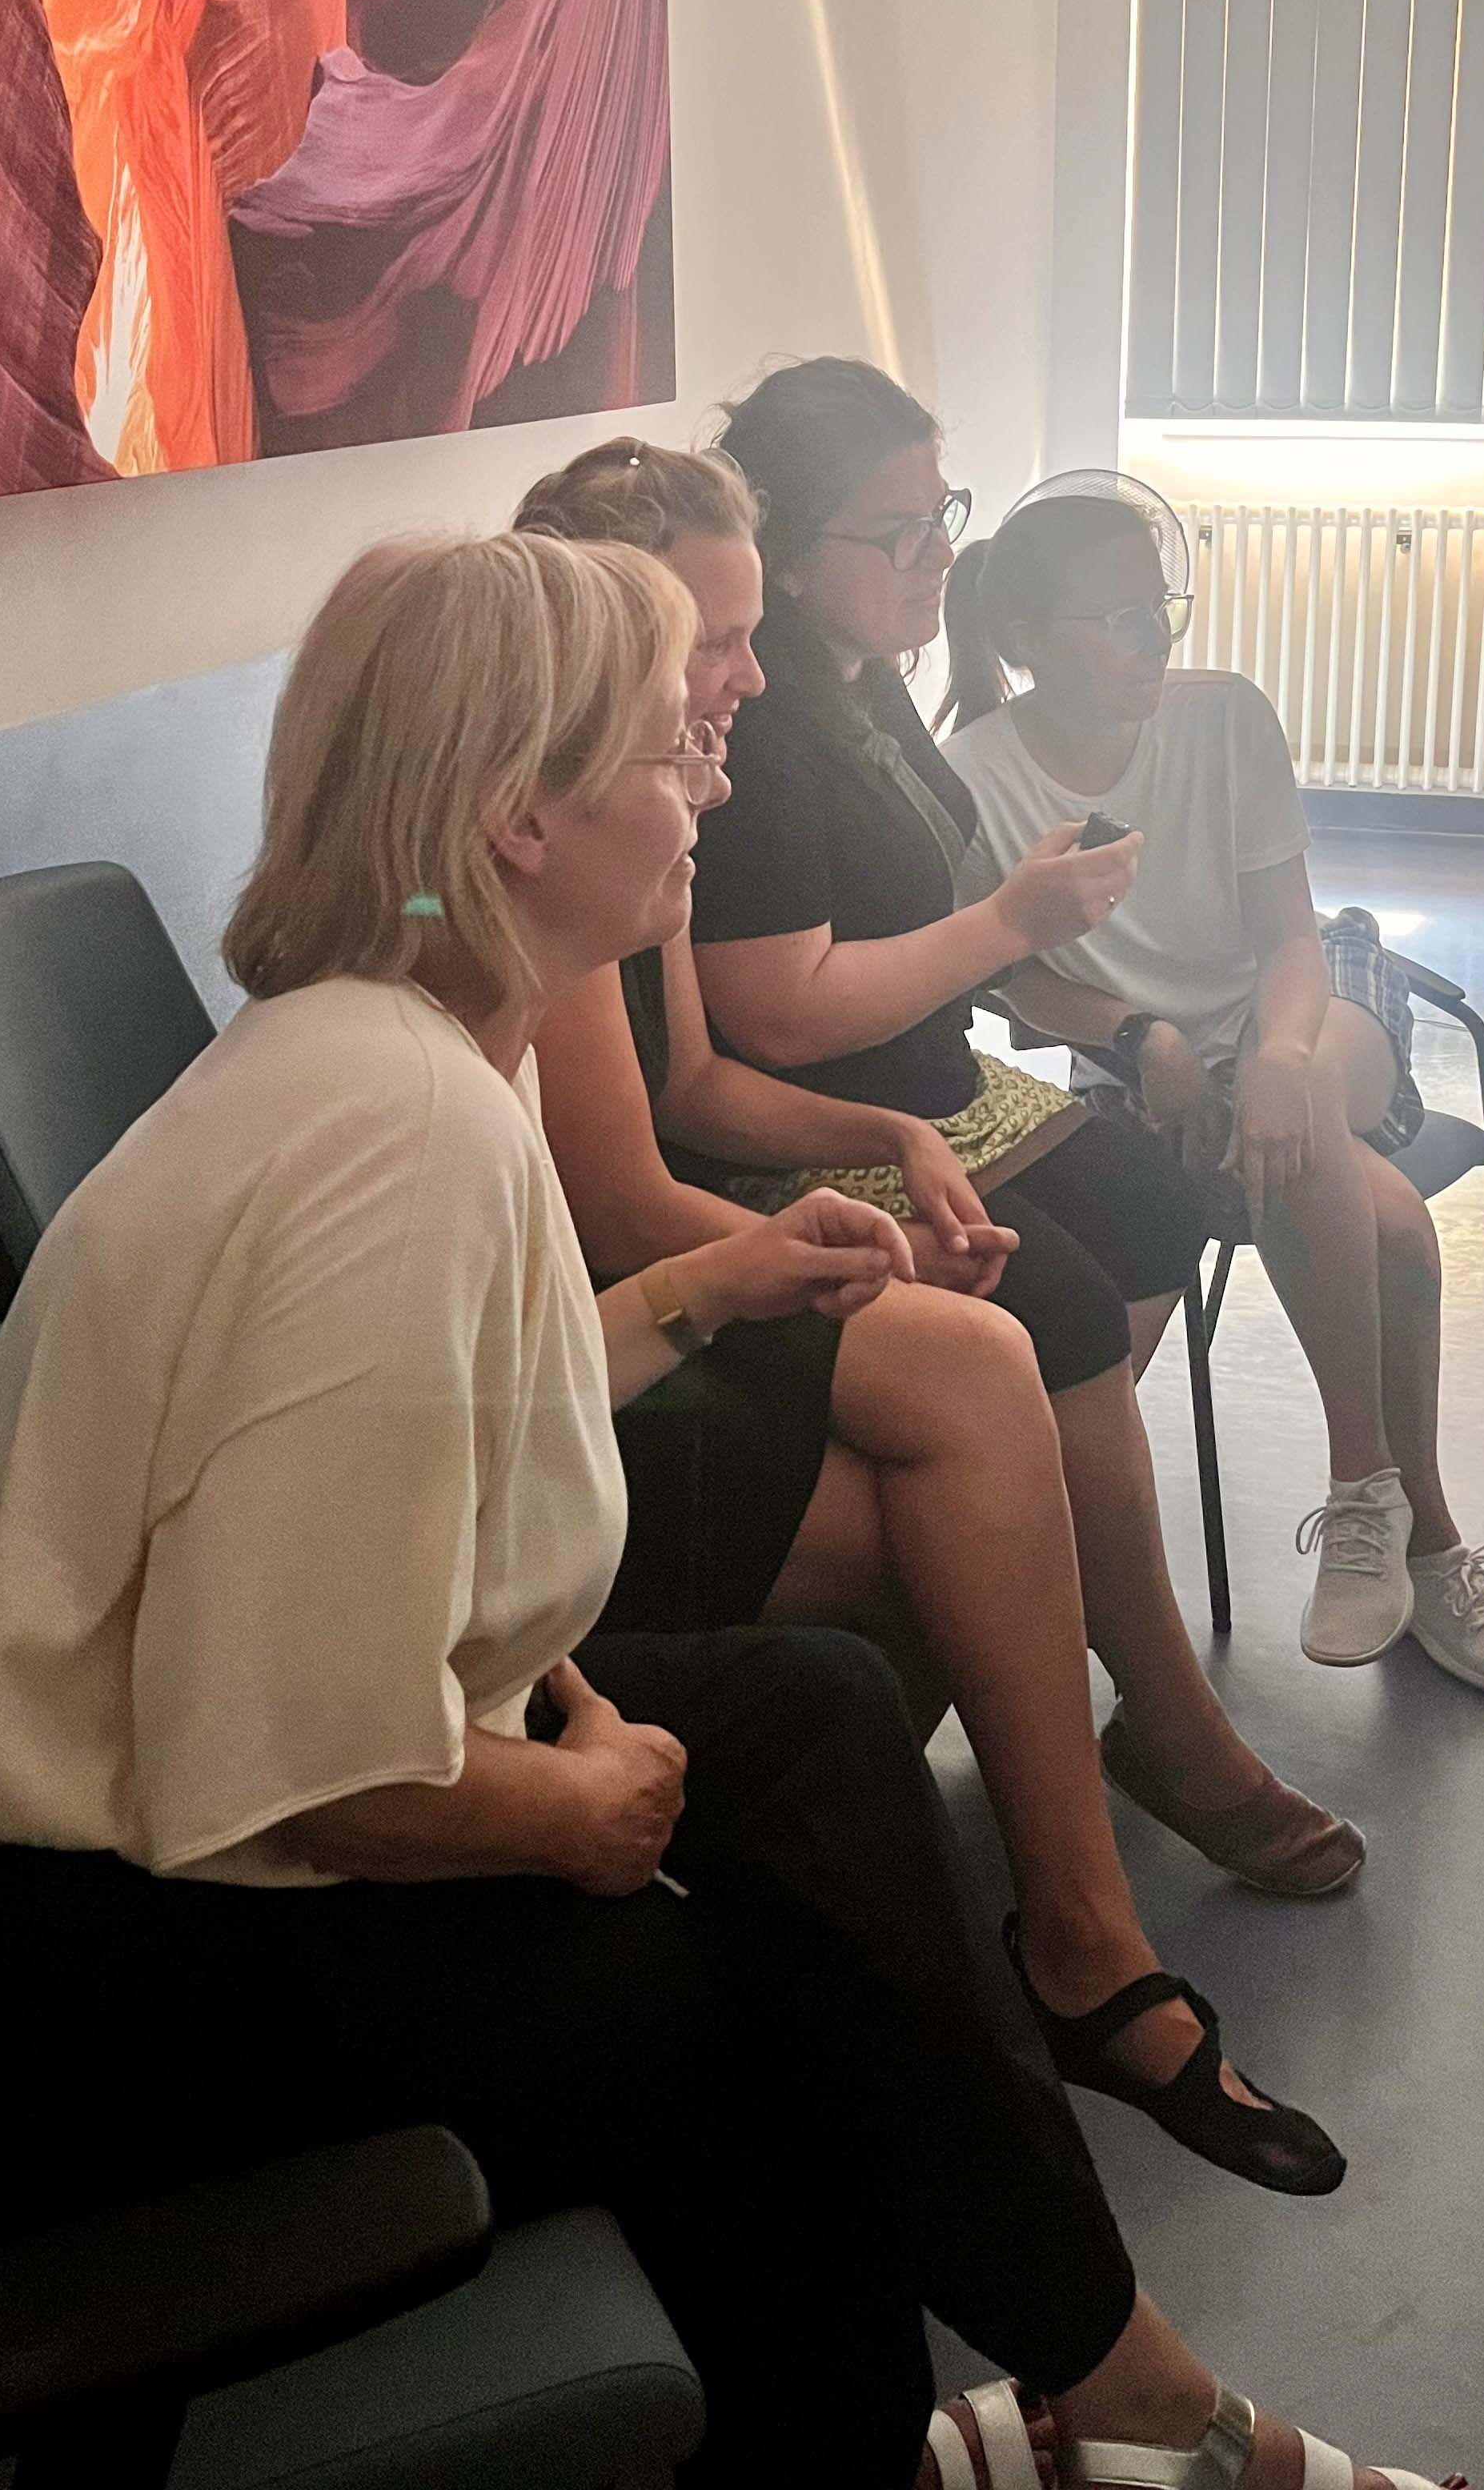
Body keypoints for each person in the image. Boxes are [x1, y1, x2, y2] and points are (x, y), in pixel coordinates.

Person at [0, 531, 1484, 2490]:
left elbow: (431, 1417)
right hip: (10, 2005)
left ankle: (1103, 2395)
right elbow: (307, 1768)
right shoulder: (399, 1129)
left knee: (813, 1713)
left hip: (91, 1847)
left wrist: (698, 1288)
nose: (714, 787)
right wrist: (571, 1811)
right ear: (519, 818)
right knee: (729, 1997)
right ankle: (974, 2452)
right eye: (675, 752)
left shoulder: (398, 1042)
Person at [516, 440, 1340, 2198]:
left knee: (1004, 1349)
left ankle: (1040, 1910)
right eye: (712, 646)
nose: (749, 682)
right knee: (983, 1383)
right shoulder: (558, 850)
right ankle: (1077, 1924)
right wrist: (824, 1254)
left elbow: (697, 1085)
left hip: (645, 1271)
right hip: (587, 1325)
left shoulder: (650, 813)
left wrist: (884, 1146)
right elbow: (620, 1205)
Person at [683, 361, 1370, 1911]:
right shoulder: (769, 728)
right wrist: (1012, 921)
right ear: (791, 549)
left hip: (929, 1079)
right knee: (1052, 1305)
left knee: (1149, 1202)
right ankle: (1157, 1712)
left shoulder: (865, 679)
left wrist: (1030, 933)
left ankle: (1006, 1562)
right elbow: (778, 1019)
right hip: (825, 1118)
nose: (940, 557)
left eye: (946, 517)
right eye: (900, 533)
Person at [939, 482, 1484, 1703]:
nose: (1155, 641)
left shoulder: (1225, 716)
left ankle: (1358, 1487)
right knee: (1392, 1225)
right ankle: (1424, 1543)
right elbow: (1011, 982)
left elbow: (1293, 939)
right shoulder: (975, 781)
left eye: (1161, 610)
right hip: (1153, 1071)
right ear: (1024, 637)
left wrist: (1277, 1056)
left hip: (1320, 1006)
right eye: (1119, 620)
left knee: (1299, 1104)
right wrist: (1142, 1035)